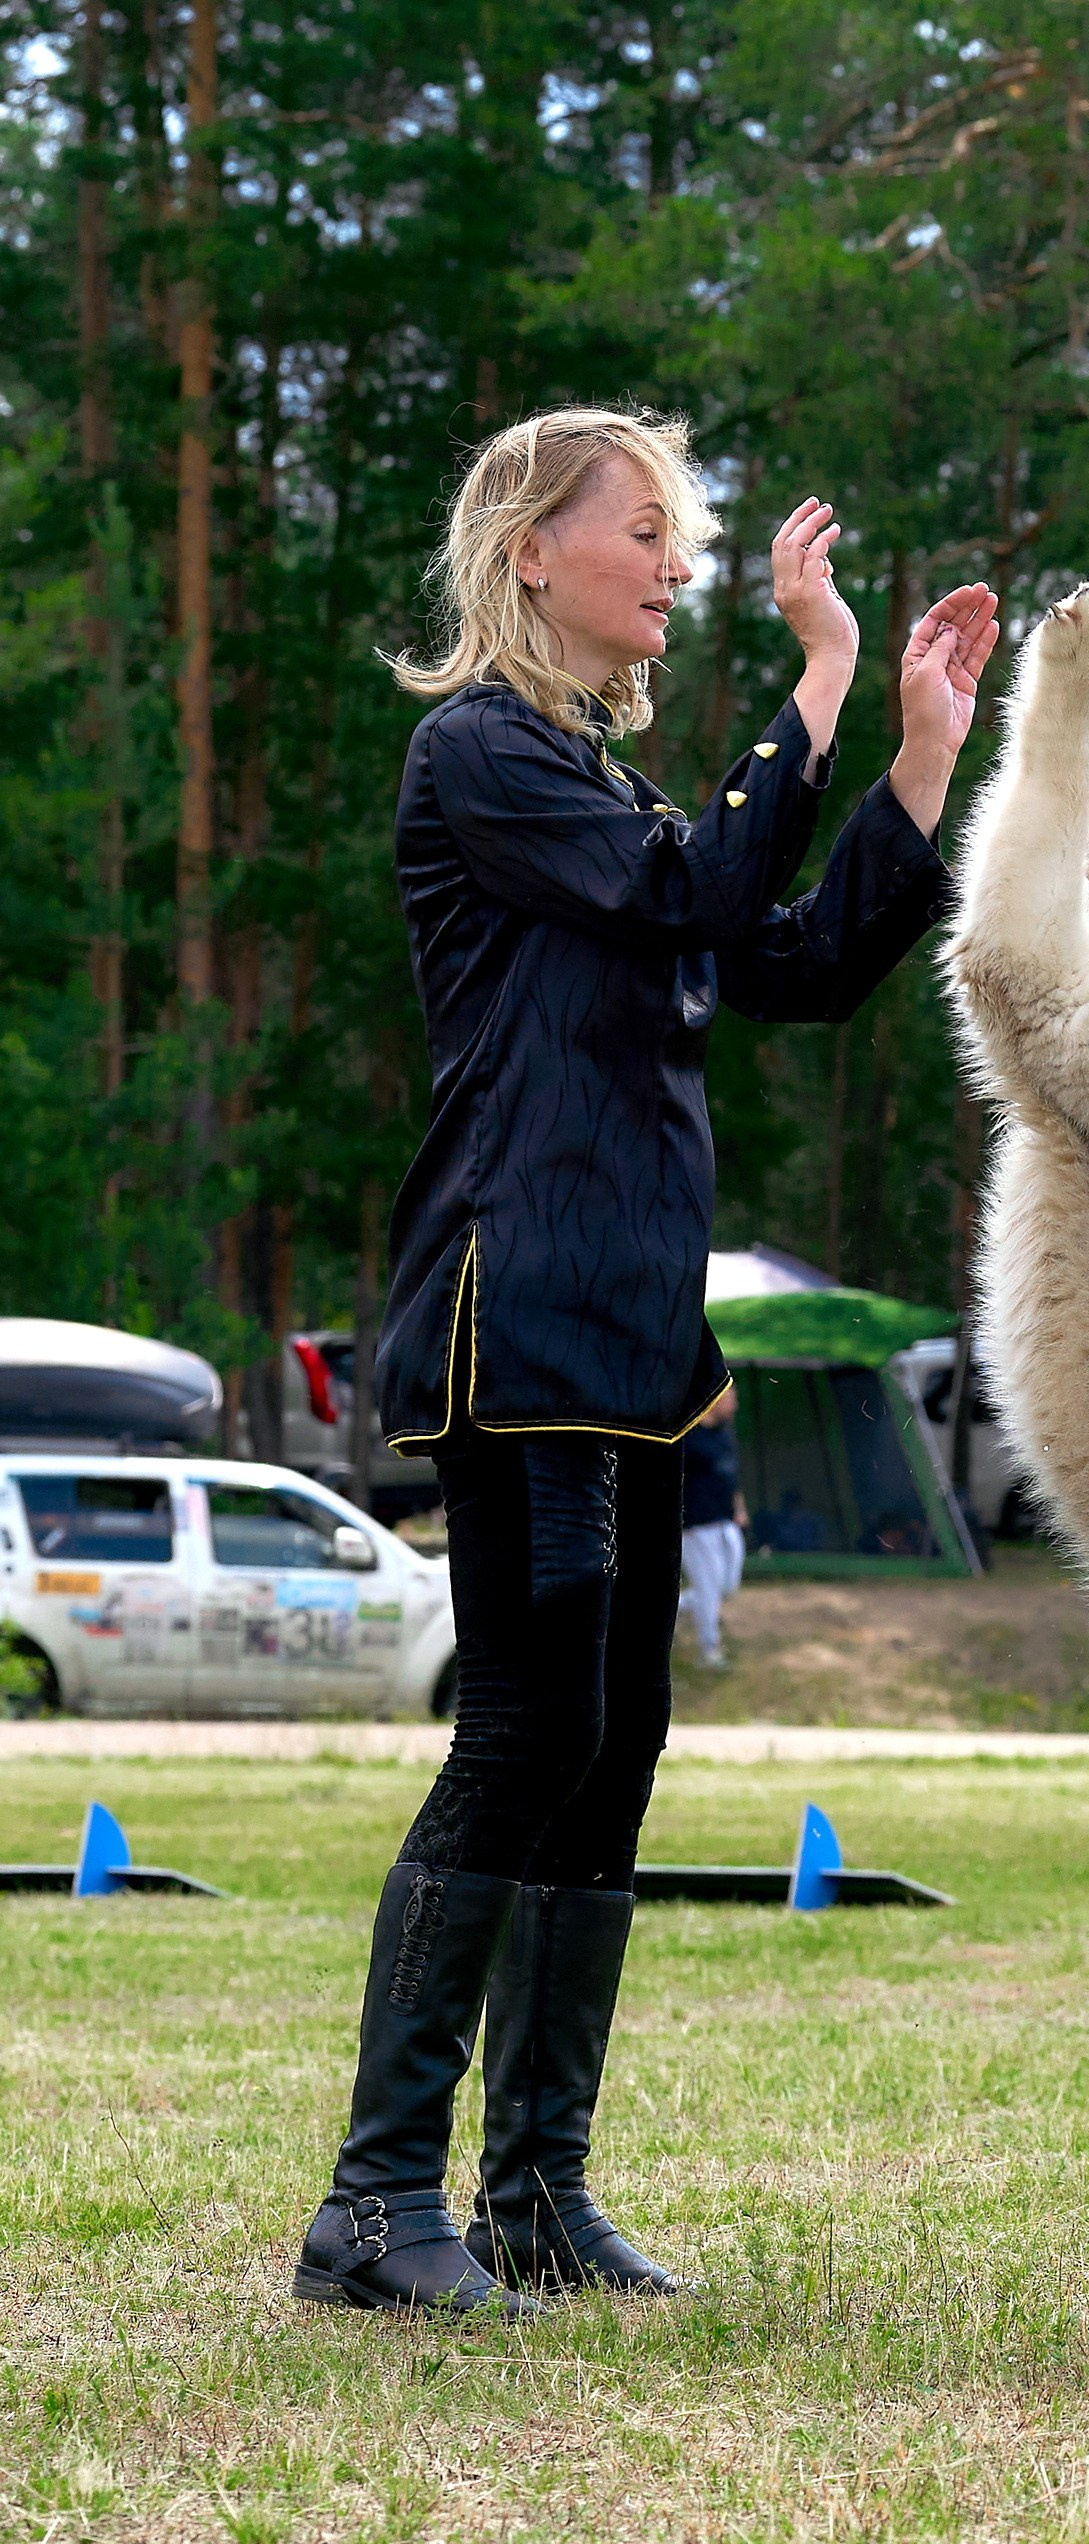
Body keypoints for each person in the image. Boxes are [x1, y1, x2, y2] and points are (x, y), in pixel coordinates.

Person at [293, 406, 999, 2318]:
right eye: (649, 535)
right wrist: (829, 670)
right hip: (508, 1315)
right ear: (532, 551)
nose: (678, 565)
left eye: (686, 538)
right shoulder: (481, 756)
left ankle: (533, 2196)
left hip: (628, 1335)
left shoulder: (603, 798)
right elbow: (699, 895)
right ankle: (371, 2210)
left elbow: (786, 960)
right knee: (522, 1733)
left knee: (612, 1744)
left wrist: (920, 761)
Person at [677, 1387, 746, 1667]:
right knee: (708, 1589)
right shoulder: (686, 1437)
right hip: (696, 1525)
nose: (735, 1404)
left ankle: (671, 1607)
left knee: (727, 1586)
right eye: (731, 1398)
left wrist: (740, 1508)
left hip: (726, 1521)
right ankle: (709, 1651)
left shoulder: (725, 1434)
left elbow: (730, 1476)